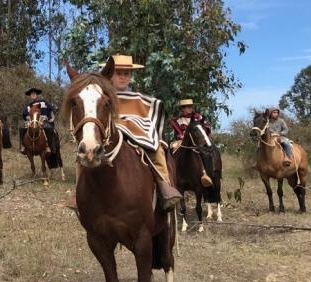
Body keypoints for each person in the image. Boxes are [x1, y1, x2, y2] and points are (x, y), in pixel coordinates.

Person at [68, 54, 182, 210]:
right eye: (118, 73)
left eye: (126, 74)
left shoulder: (138, 98)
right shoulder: (101, 95)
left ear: (131, 76)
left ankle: (164, 186)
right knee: (82, 155)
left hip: (138, 134)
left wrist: (131, 126)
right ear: (110, 75)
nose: (122, 77)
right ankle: (78, 193)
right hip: (108, 135)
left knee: (157, 150)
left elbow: (147, 116)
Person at [170, 98, 213, 187]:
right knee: (172, 150)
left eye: (190, 106)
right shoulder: (177, 120)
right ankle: (172, 174)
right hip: (182, 141)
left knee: (205, 152)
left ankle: (206, 174)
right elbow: (177, 132)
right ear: (182, 108)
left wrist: (203, 136)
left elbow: (206, 127)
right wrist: (181, 135)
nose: (189, 108)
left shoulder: (198, 117)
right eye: (187, 107)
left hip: (197, 140)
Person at [20, 88, 57, 155]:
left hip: (43, 120)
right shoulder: (28, 105)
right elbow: (24, 114)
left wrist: (50, 118)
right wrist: (27, 118)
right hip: (32, 121)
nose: (33, 95)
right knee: (22, 128)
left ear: (37, 95)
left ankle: (49, 146)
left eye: (34, 93)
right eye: (32, 94)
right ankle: (23, 146)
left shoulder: (43, 102)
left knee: (49, 128)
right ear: (30, 96)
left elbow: (51, 110)